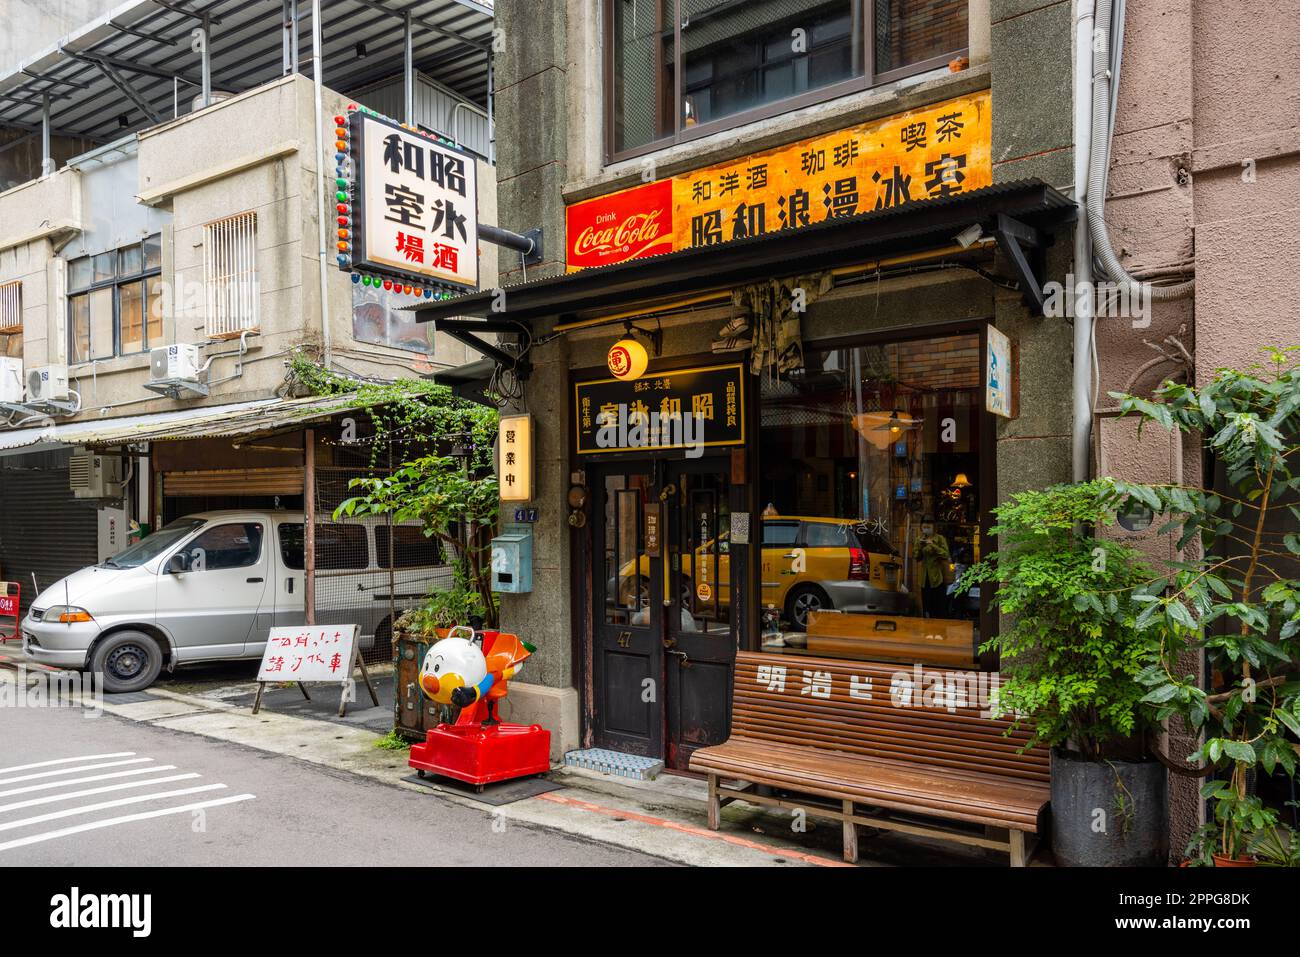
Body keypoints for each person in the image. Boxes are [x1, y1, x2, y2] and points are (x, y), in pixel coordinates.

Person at [912, 514, 951, 618]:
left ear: (933, 527)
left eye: (929, 527)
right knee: (926, 606)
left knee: (939, 606)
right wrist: (921, 546)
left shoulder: (940, 539)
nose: (926, 529)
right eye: (924, 527)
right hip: (924, 578)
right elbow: (916, 557)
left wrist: (932, 545)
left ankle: (939, 629)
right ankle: (928, 629)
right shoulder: (919, 540)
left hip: (938, 577)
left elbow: (946, 554)